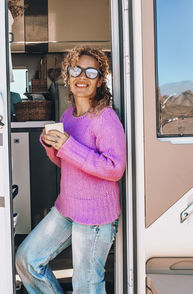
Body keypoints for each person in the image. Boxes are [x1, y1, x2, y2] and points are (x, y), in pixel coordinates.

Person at [15, 46, 126, 294]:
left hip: (96, 216)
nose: (82, 77)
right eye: (76, 70)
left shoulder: (105, 118)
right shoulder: (68, 116)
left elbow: (114, 169)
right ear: (68, 76)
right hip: (67, 208)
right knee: (27, 259)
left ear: (99, 81)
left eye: (90, 72)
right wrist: (50, 144)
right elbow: (66, 162)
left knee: (86, 286)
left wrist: (68, 145)